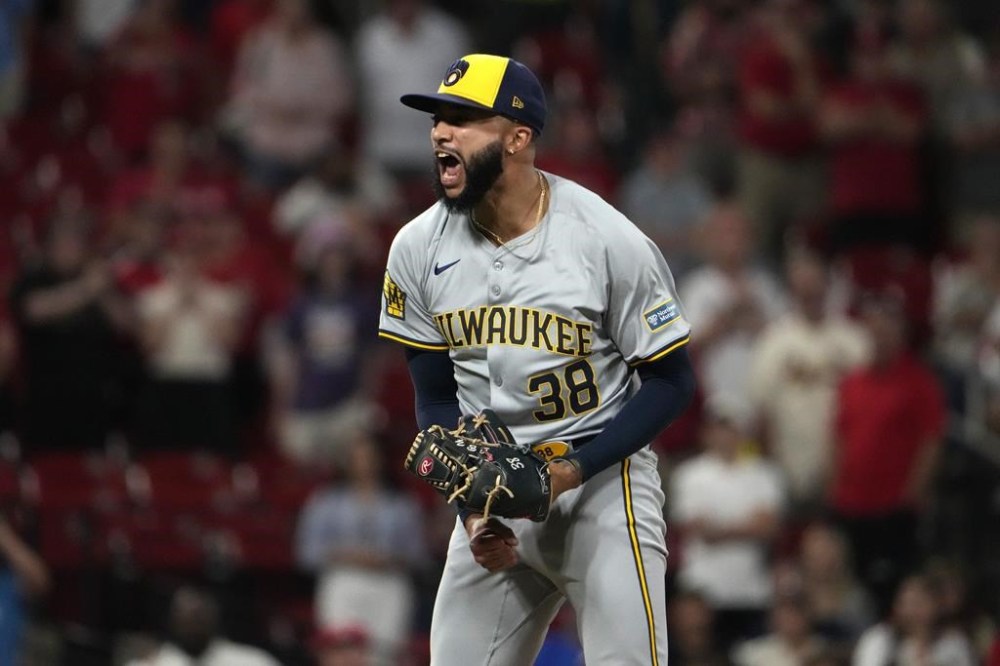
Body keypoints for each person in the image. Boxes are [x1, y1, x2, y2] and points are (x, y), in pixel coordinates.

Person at [378, 53, 696, 664]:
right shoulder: (416, 247)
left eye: (463, 119)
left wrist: (570, 473)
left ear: (518, 138)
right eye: (438, 119)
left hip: (601, 484)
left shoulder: (606, 239)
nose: (441, 132)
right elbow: (437, 396)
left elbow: (672, 382)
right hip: (493, 494)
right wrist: (473, 511)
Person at [294, 435, 426, 663]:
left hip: (388, 581)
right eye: (357, 457)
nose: (364, 463)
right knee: (341, 648)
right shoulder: (326, 501)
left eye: (369, 457)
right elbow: (307, 552)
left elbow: (418, 554)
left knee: (383, 654)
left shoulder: (401, 503)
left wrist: (387, 558)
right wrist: (348, 555)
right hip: (343, 578)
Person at [671, 395, 786, 650]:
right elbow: (698, 529)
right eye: (719, 428)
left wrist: (719, 526)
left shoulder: (764, 474)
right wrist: (748, 525)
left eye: (731, 428)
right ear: (707, 432)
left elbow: (768, 528)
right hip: (703, 590)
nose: (725, 435)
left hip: (751, 590)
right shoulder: (690, 475)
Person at [127, 586, 281, 665]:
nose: (194, 624)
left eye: (199, 615)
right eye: (186, 616)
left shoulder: (252, 661)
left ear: (213, 616)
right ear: (173, 620)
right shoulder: (154, 664)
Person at [853, 574, 977, 666]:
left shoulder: (954, 644)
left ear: (937, 605)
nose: (912, 610)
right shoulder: (879, 639)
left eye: (920, 602)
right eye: (908, 603)